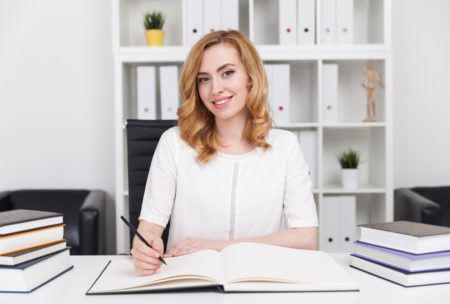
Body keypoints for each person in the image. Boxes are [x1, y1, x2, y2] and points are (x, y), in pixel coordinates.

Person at [131, 30, 318, 275]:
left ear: (250, 77)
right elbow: (149, 228)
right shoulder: (174, 143)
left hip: (260, 280)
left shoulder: (285, 146)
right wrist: (143, 247)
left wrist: (217, 247)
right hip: (188, 280)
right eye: (203, 79)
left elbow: (306, 238)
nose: (215, 88)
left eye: (227, 73)